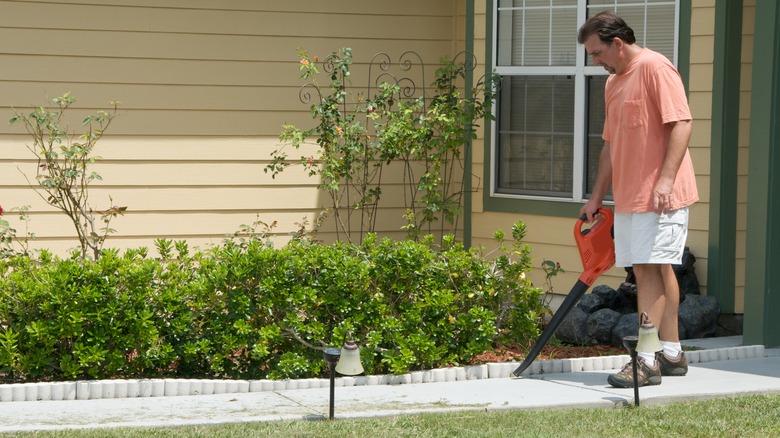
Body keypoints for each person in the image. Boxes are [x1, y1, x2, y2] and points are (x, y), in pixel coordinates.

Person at [577, 11, 699, 388]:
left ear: (617, 43)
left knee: (647, 269)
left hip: (661, 195)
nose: (594, 62)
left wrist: (664, 181)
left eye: (596, 54)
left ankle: (645, 361)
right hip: (630, 197)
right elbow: (610, 145)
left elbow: (681, 123)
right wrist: (596, 196)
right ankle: (673, 353)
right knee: (658, 269)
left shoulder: (655, 67)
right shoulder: (614, 83)